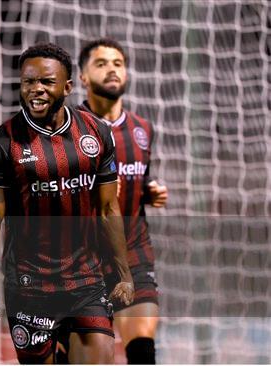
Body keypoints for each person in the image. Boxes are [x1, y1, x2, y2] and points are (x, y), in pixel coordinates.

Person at [0, 42, 134, 364]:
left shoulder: (96, 133)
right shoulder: (1, 144)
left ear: (68, 86)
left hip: (86, 281)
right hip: (30, 286)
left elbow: (107, 209)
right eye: (28, 82)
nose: (36, 90)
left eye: (46, 82)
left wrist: (125, 275)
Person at [78, 38, 168, 364]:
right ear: (83, 78)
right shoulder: (66, 130)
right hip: (81, 262)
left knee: (143, 351)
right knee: (92, 357)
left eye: (118, 63)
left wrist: (150, 190)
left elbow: (139, 179)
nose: (112, 69)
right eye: (101, 63)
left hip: (133, 255)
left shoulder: (142, 129)